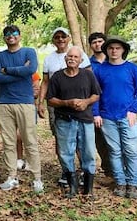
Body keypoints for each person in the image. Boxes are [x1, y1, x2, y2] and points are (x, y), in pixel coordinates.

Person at [92, 37, 137, 199]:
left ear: (123, 50)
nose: (114, 51)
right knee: (114, 151)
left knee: (131, 151)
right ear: (106, 50)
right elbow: (96, 93)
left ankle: (133, 184)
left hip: (127, 116)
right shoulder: (100, 70)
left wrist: (133, 109)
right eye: (110, 48)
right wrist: (96, 113)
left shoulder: (133, 69)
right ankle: (120, 182)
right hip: (107, 117)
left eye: (117, 48)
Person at [0, 25, 43, 193]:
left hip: (25, 102)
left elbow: (31, 69)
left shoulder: (29, 52)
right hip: (4, 103)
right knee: (8, 142)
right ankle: (12, 177)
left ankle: (37, 179)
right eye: (7, 34)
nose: (10, 36)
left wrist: (8, 71)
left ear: (19, 36)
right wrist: (20, 73)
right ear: (4, 38)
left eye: (14, 33)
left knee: (30, 141)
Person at [38, 27, 90, 186]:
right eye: (57, 37)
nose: (60, 39)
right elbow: (45, 82)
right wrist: (40, 101)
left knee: (80, 138)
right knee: (61, 138)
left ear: (68, 38)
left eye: (63, 36)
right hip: (56, 104)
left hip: (78, 104)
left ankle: (83, 171)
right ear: (53, 40)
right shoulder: (49, 59)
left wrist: (87, 102)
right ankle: (67, 170)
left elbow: (89, 78)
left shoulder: (80, 54)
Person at [46, 47, 101, 198]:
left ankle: (88, 189)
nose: (72, 59)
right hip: (64, 120)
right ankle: (72, 187)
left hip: (85, 119)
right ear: (65, 59)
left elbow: (96, 95)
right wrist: (66, 102)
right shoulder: (57, 77)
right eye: (69, 56)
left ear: (81, 60)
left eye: (76, 57)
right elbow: (50, 99)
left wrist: (86, 102)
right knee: (65, 153)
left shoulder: (88, 75)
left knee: (88, 152)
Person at [87, 32, 112, 175]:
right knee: (100, 141)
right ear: (91, 45)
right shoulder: (87, 64)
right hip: (95, 108)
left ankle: (121, 170)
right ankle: (108, 169)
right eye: (94, 42)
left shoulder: (113, 60)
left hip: (112, 106)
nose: (98, 44)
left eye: (100, 41)